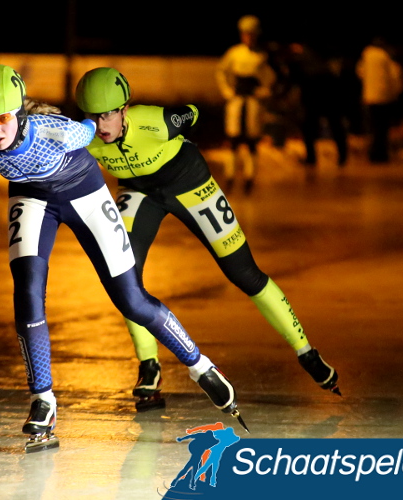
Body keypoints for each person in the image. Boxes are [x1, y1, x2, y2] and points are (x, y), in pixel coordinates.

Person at [0, 65, 245, 451]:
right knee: (26, 291)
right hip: (31, 197)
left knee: (130, 299)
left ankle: (201, 367)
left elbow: (92, 130)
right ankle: (42, 400)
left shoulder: (59, 131)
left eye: (4, 118)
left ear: (19, 113)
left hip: (83, 191)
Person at [74, 67, 341, 414]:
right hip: (139, 192)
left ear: (125, 109)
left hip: (189, 182)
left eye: (109, 113)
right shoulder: (82, 136)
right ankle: (149, 367)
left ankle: (307, 352)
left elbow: (193, 113)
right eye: (92, 116)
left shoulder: (156, 121)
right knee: (124, 277)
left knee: (244, 274)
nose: (101, 124)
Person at [214, 15, 277, 193]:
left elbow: (271, 78)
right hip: (237, 100)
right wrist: (227, 90)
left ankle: (250, 177)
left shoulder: (262, 56)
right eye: (246, 34)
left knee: (251, 140)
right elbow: (221, 71)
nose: (248, 38)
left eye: (252, 34)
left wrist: (264, 91)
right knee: (233, 140)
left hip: (253, 102)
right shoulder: (234, 53)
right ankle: (230, 177)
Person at [355, 36, 403, 163]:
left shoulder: (366, 55)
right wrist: (395, 93)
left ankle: (373, 152)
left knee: (373, 126)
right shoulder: (385, 56)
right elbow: (394, 76)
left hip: (369, 96)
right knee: (382, 127)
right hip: (383, 97)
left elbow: (360, 72)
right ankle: (380, 153)